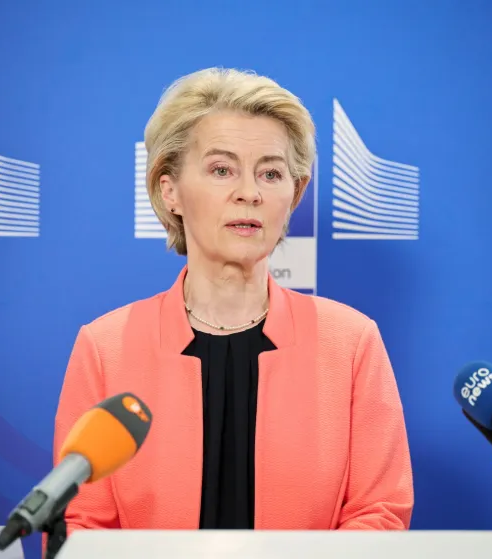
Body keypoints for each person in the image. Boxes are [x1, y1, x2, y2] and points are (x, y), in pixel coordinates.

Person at [51, 67, 413, 539]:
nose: (250, 192)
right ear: (170, 190)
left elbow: (379, 514)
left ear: (295, 193)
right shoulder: (106, 348)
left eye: (271, 172)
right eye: (222, 170)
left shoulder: (351, 344)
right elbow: (80, 526)